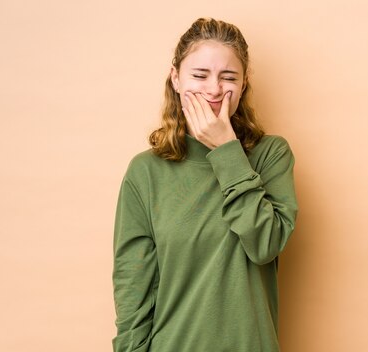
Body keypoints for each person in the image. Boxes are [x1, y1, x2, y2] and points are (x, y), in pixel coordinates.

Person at [112, 17, 299, 352]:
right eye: (200, 75)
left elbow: (264, 244)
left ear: (243, 84)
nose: (214, 89)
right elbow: (133, 288)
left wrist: (226, 151)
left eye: (228, 77)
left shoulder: (271, 155)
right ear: (176, 79)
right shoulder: (145, 172)